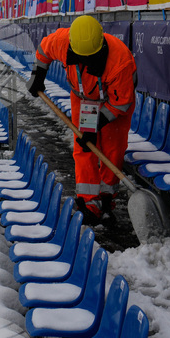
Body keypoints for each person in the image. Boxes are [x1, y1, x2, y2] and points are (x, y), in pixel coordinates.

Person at [27, 15, 137, 225]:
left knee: (112, 149)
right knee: (84, 146)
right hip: (84, 98)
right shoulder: (62, 41)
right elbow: (43, 50)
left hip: (114, 102)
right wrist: (38, 74)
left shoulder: (120, 62)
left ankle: (106, 199)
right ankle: (88, 203)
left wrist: (97, 125)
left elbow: (120, 103)